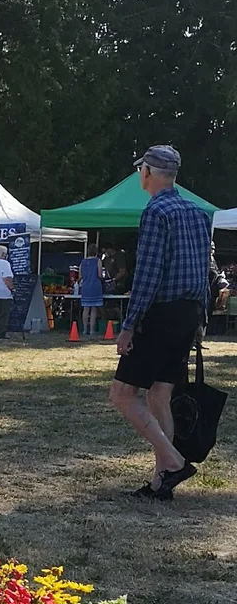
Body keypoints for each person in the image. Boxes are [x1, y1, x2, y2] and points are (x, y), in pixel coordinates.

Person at [109, 145, 211, 501]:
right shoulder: (198, 213)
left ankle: (172, 461)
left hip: (160, 313)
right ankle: (161, 481)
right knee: (160, 395)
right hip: (187, 313)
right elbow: (204, 273)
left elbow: (149, 274)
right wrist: (201, 317)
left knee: (122, 394)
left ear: (147, 173)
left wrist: (128, 324)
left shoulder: (156, 211)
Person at [79, 242, 104, 335]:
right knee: (94, 308)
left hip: (85, 286)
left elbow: (80, 275)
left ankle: (85, 329)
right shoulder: (98, 261)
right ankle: (92, 330)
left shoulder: (83, 262)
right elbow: (100, 274)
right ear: (96, 252)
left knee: (85, 308)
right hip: (95, 286)